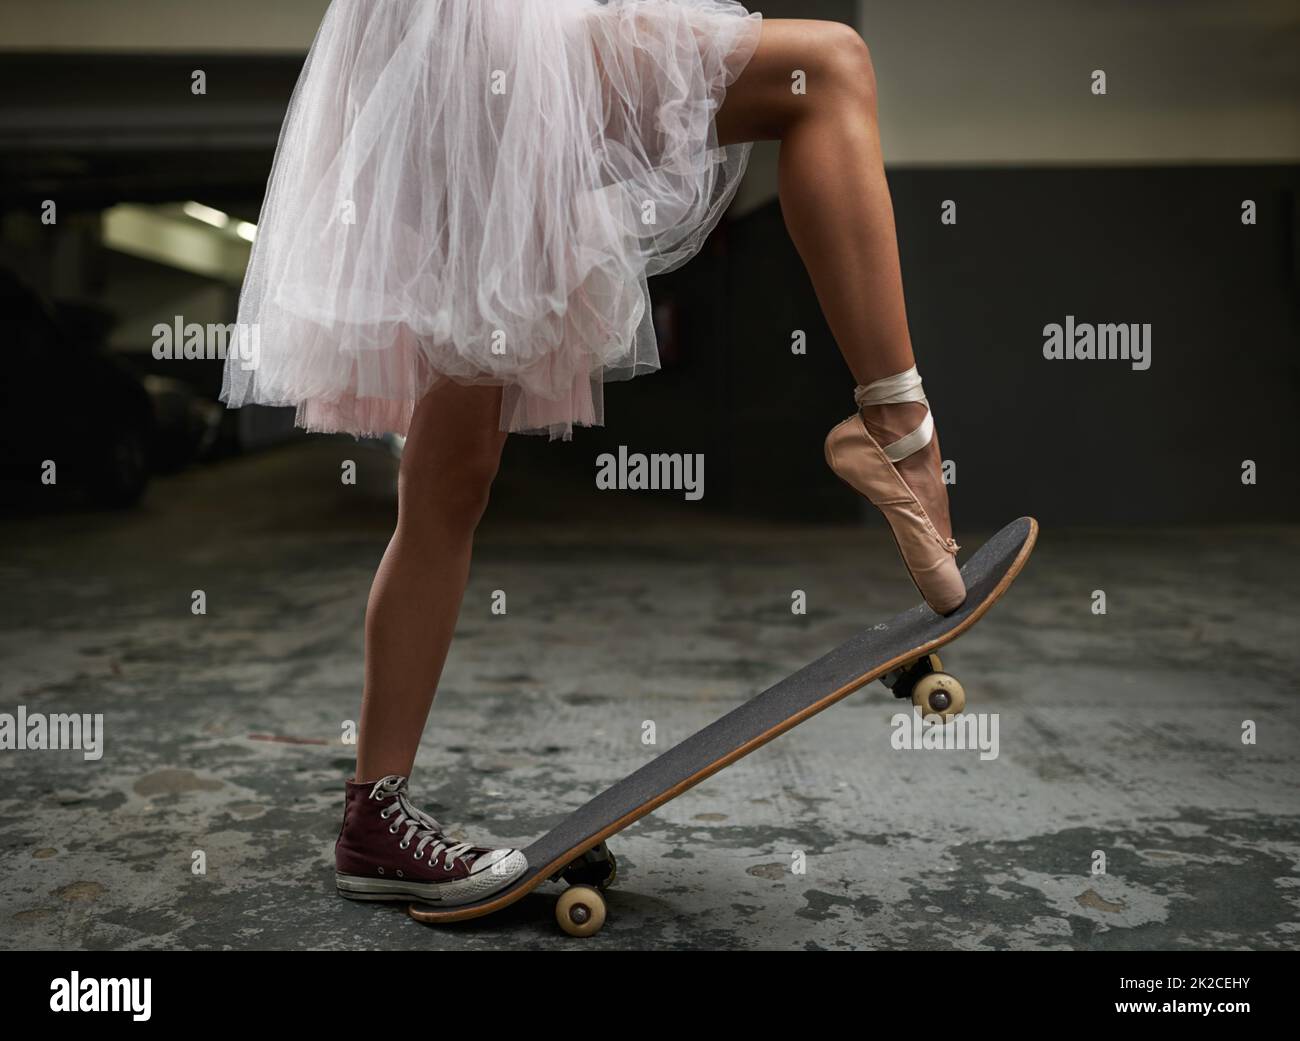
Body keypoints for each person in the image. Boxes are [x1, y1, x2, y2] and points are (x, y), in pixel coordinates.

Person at [222, 0, 963, 908]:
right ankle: (897, 429)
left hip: (441, 53)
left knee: (452, 482)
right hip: (489, 38)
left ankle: (372, 819)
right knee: (829, 69)